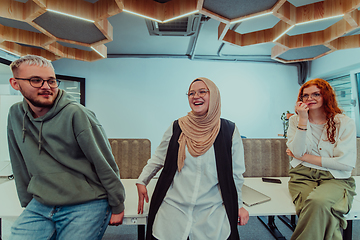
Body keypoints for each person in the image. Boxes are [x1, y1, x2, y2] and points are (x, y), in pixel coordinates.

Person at [7, 55, 125, 240]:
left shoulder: (76, 113)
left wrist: (117, 204)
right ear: (15, 83)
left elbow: (104, 163)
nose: (46, 87)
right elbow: (18, 161)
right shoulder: (15, 114)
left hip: (86, 201)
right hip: (41, 202)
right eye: (36, 80)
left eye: (51, 81)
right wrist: (27, 202)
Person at [136, 77, 249, 240]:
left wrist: (239, 205)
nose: (196, 96)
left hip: (211, 210)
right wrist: (142, 180)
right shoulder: (177, 127)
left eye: (202, 91)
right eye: (191, 93)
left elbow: (236, 174)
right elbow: (159, 158)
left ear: (214, 96)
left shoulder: (228, 130)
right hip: (174, 208)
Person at [286, 78, 357, 240]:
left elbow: (345, 164)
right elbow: (297, 150)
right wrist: (303, 119)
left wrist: (304, 157)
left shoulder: (344, 123)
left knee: (317, 203)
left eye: (316, 94)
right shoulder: (295, 120)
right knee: (318, 210)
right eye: (305, 95)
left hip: (336, 177)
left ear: (326, 96)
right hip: (302, 175)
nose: (309, 98)